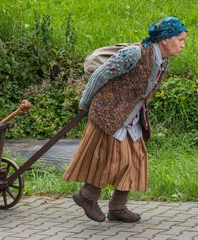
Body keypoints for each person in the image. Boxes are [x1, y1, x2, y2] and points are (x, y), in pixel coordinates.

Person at [64, 16, 188, 223]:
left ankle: (118, 208)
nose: (183, 45)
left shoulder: (162, 60)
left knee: (136, 160)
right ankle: (86, 196)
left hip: (129, 116)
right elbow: (100, 75)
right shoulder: (135, 53)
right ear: (165, 39)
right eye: (180, 39)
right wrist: (85, 103)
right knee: (114, 160)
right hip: (109, 113)